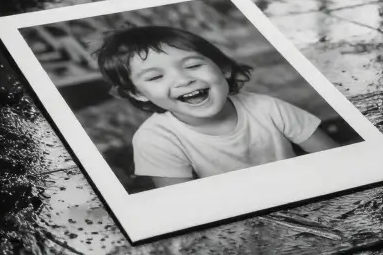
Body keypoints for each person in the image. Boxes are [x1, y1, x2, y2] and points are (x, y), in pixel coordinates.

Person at [95, 25, 340, 186]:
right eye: (155, 77)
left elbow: (338, 159)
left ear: (223, 69)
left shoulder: (267, 107)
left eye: (192, 65)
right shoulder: (155, 139)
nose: (183, 80)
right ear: (138, 93)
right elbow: (180, 206)